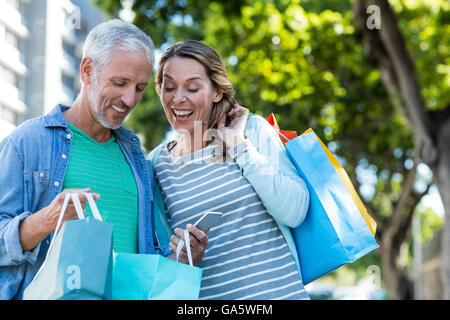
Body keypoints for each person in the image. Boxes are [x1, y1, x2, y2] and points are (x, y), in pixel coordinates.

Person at [0, 20, 208, 300]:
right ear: (87, 70)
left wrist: (182, 257)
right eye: (119, 83)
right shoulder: (27, 142)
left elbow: (145, 258)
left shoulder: (137, 158)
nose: (130, 99)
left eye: (139, 87)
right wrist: (46, 220)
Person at [148, 40, 311, 300]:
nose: (178, 98)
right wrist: (183, 256)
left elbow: (295, 211)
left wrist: (240, 147)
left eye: (192, 87)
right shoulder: (156, 164)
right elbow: (157, 260)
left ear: (216, 92)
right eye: (169, 88)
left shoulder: (252, 131)